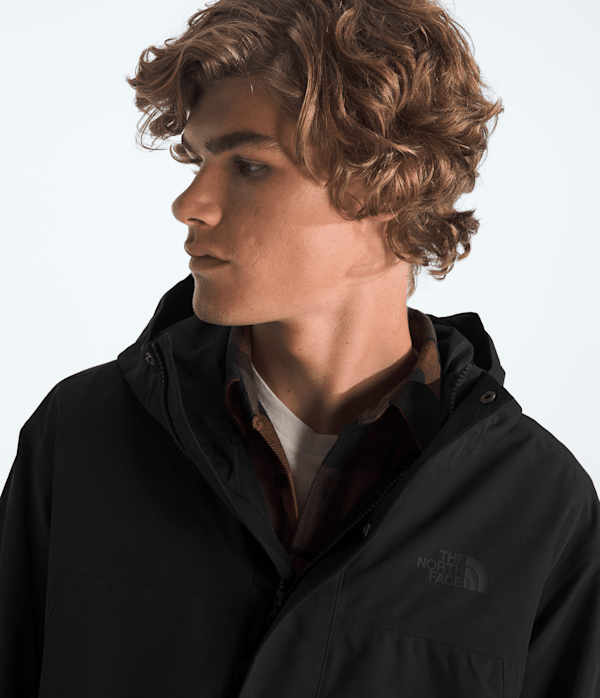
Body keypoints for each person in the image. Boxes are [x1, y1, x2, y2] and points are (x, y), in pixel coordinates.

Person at [1, 0, 598, 695]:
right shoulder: (82, 437)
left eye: (250, 165)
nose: (189, 203)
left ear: (389, 181)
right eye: (196, 161)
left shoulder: (538, 508)